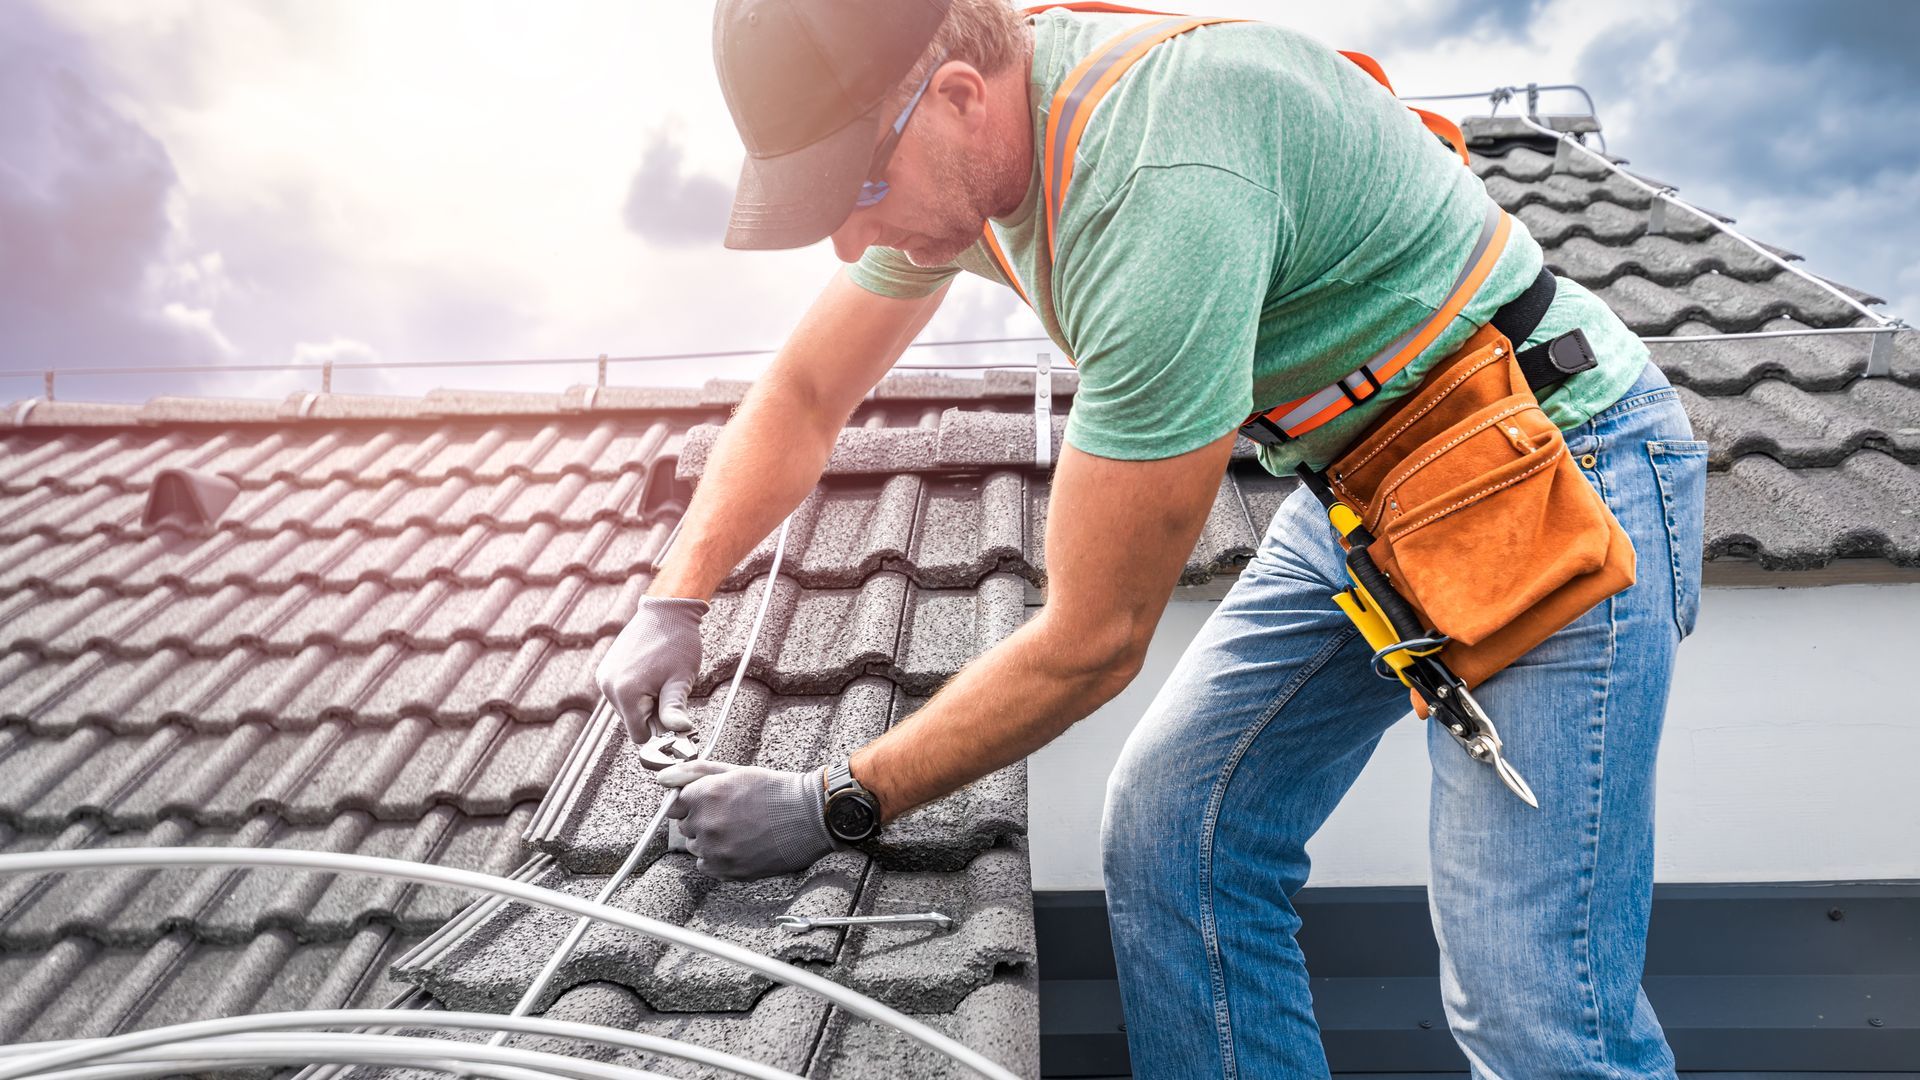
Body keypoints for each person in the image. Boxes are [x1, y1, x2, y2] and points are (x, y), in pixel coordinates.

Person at [595, 1, 1707, 1075]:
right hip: (1369, 492)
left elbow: (1095, 638)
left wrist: (829, 801)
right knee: (1177, 832)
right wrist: (672, 600)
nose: (851, 240)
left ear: (956, 96)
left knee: (1535, 1009)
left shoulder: (1150, 187)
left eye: (859, 189)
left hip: (1552, 466)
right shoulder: (968, 145)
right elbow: (804, 392)